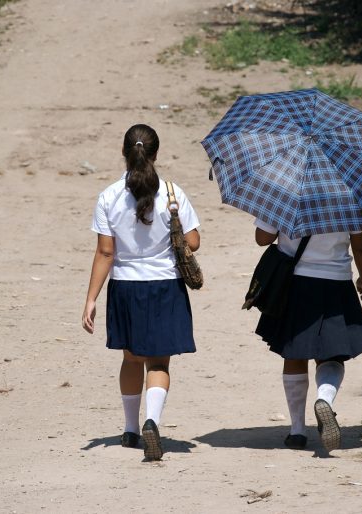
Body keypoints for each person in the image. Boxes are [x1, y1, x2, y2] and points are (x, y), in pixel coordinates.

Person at [82, 124, 200, 461]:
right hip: (165, 286)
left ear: (124, 152)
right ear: (156, 154)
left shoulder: (109, 196)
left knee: (131, 358)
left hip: (125, 287)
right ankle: (153, 420)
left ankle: (131, 429)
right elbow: (193, 242)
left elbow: (105, 252)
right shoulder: (173, 193)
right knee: (159, 362)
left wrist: (91, 299)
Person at [253, 221, 362, 453]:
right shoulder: (348, 196)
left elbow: (262, 239)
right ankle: (325, 400)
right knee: (332, 356)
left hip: (295, 283)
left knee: (294, 355)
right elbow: (360, 246)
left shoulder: (284, 191)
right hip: (336, 284)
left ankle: (297, 431)